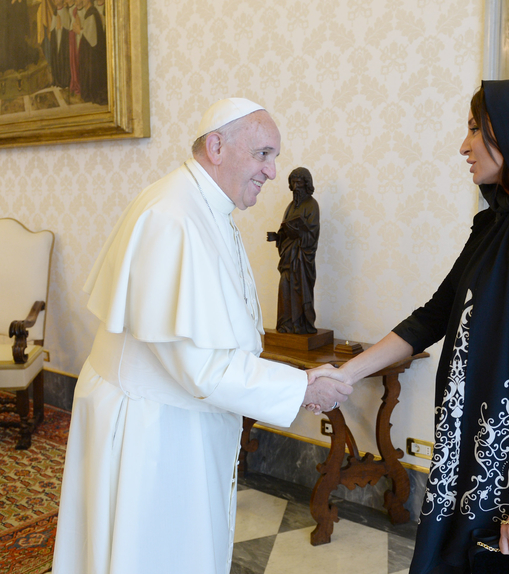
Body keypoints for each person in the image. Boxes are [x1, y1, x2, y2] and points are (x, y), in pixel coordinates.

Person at [309, 79, 509, 573]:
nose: (464, 145)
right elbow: (431, 317)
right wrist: (346, 374)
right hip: (467, 439)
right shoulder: (498, 222)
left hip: (505, 459)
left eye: (477, 130)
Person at [52, 98, 352, 574]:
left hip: (173, 421)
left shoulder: (202, 206)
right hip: (151, 433)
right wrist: (302, 386)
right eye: (263, 155)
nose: (272, 171)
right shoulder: (174, 217)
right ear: (217, 146)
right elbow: (201, 366)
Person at [267, 166, 320, 334]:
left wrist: (299, 233)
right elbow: (285, 231)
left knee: (300, 291)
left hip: (302, 261)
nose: (296, 187)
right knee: (284, 288)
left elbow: (312, 236)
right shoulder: (290, 207)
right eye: (293, 183)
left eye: (299, 183)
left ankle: (300, 325)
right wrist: (277, 237)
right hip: (288, 259)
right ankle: (286, 324)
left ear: (306, 184)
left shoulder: (312, 205)